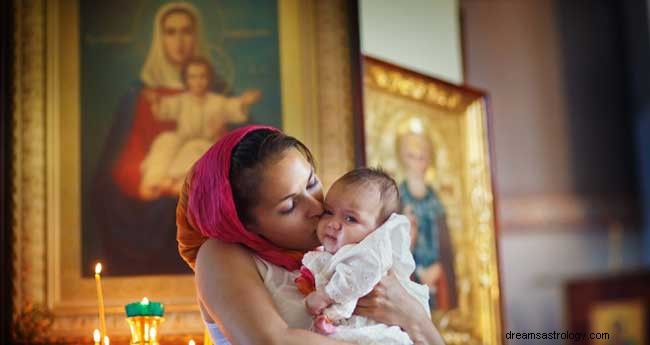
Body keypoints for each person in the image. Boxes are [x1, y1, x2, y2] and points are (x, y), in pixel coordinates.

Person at [176, 125, 446, 345]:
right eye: (290, 206)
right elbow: (270, 342)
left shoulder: (332, 251)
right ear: (244, 225)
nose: (318, 208)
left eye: (312, 183)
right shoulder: (221, 253)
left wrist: (415, 318)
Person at [89, 2, 228, 275]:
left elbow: (232, 150)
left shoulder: (218, 92)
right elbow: (126, 154)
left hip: (199, 184)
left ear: (196, 36)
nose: (179, 41)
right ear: (159, 37)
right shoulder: (140, 95)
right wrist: (147, 184)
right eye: (170, 32)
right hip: (155, 190)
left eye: (186, 32)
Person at [299, 168, 430, 344]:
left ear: (378, 230)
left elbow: (357, 277)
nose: (332, 223)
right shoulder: (333, 252)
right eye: (328, 212)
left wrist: (326, 296)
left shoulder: (370, 253)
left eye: (350, 219)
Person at [140, 57, 261, 199]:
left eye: (202, 76)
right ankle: (154, 180)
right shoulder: (182, 100)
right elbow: (164, 110)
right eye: (192, 77)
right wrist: (156, 101)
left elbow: (233, 107)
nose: (198, 81)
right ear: (186, 80)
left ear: (209, 79)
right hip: (182, 139)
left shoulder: (217, 101)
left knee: (194, 150)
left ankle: (179, 183)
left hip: (205, 143)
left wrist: (244, 102)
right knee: (165, 139)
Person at [396, 131, 457, 310]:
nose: (416, 163)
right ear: (401, 158)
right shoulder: (398, 199)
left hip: (438, 277)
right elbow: (395, 246)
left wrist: (439, 268)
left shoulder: (435, 200)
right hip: (409, 276)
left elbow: (446, 246)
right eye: (411, 156)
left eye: (421, 157)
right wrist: (418, 272)